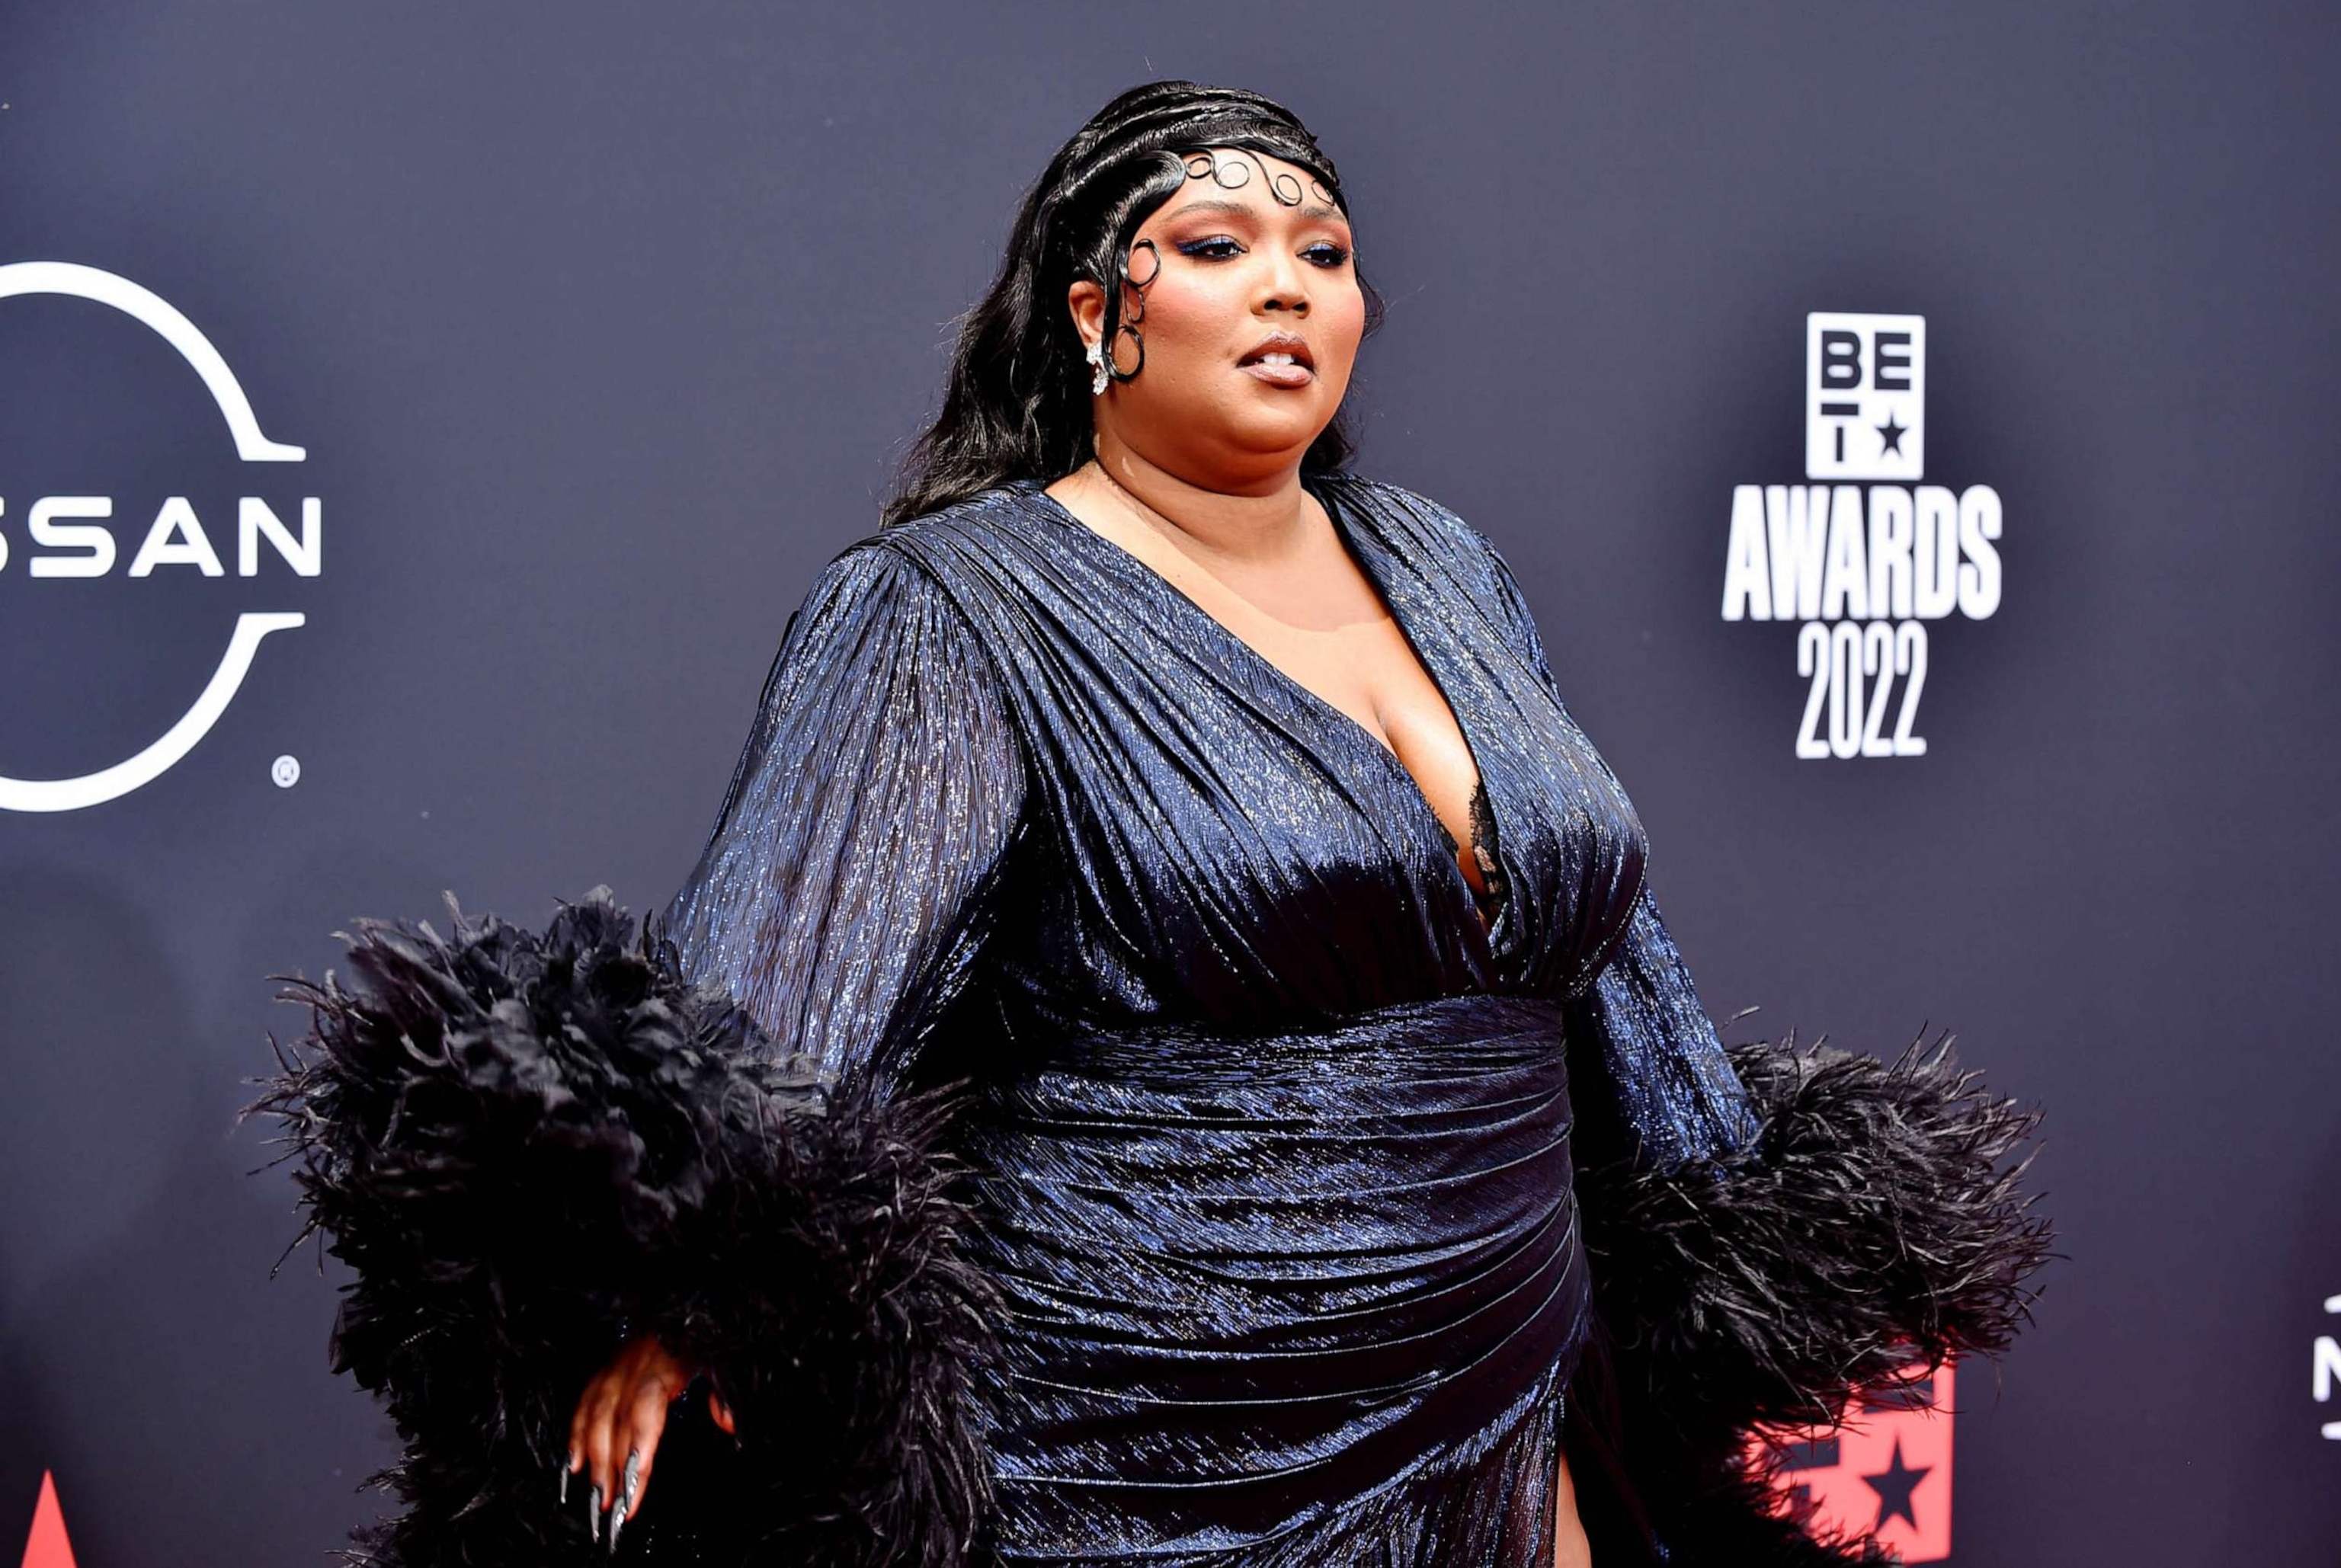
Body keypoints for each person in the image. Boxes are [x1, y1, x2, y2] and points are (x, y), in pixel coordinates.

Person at [262, 80, 2047, 1568]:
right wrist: (668, 1289)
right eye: (1218, 248)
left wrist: (1737, 1218)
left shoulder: (1448, 562)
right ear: (1098, 313)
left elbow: (1602, 953)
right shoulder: (957, 606)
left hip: (1517, 1376)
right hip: (1149, 1454)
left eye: (1325, 254)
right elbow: (782, 995)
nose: (1289, 289)